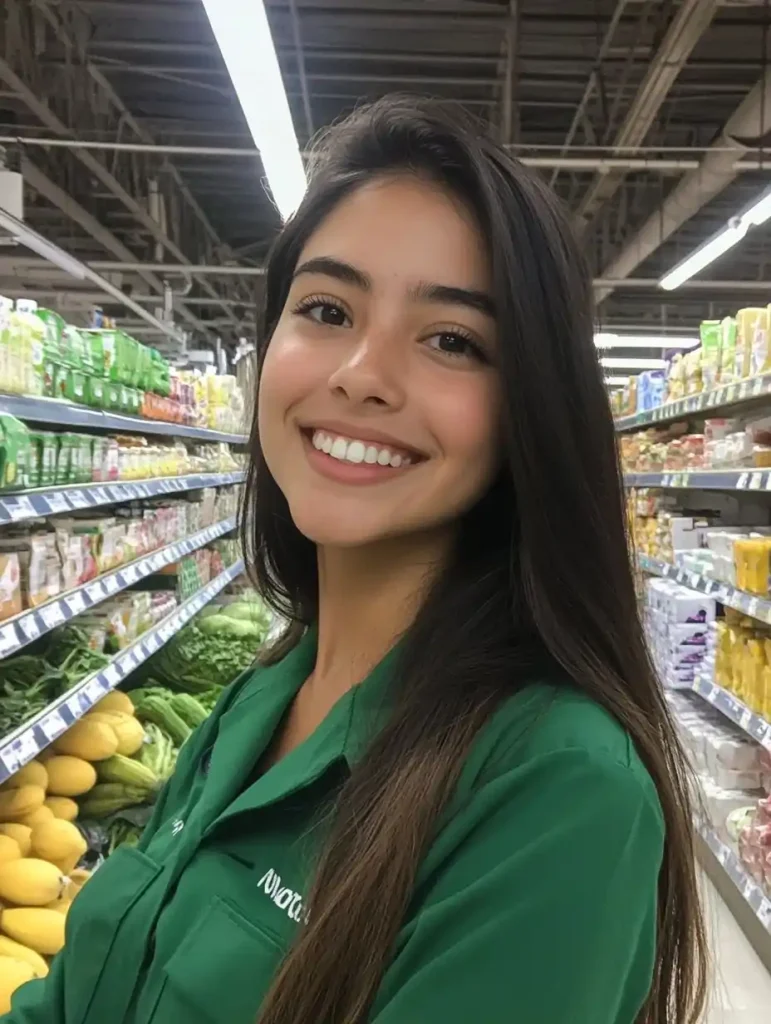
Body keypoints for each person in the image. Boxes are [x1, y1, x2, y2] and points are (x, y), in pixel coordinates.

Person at [4, 95, 707, 1024]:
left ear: (528, 410)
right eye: (327, 309)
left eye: (451, 340)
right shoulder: (263, 697)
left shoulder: (558, 790)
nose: (361, 374)